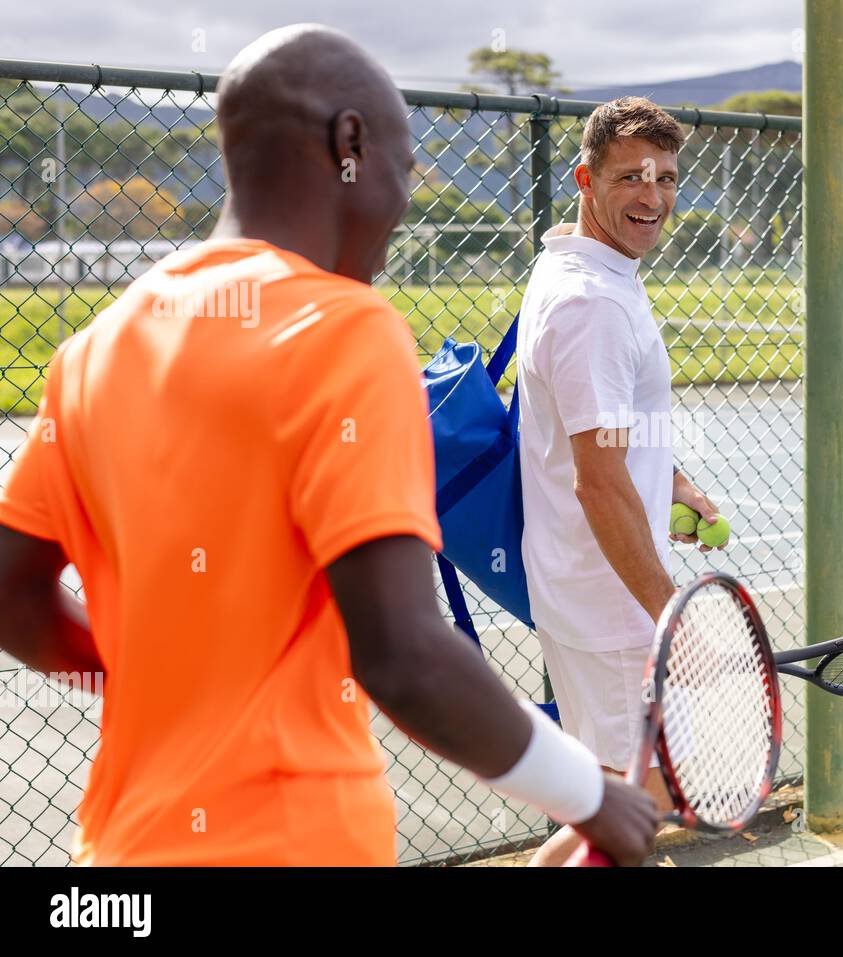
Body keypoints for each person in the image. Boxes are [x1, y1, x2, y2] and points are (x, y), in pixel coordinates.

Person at [0, 24, 656, 867]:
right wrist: (593, 794)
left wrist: (157, 676)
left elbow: (14, 595)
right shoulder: (343, 329)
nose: (403, 198)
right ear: (350, 142)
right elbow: (403, 652)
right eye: (403, 166)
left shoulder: (96, 349)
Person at [516, 97, 724, 866]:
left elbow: (605, 437)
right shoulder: (591, 303)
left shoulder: (588, 266)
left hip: (597, 595)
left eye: (667, 177)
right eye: (631, 176)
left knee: (623, 803)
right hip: (609, 610)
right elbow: (598, 483)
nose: (653, 196)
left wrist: (672, 480)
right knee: (641, 802)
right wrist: (675, 617)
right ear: (585, 178)